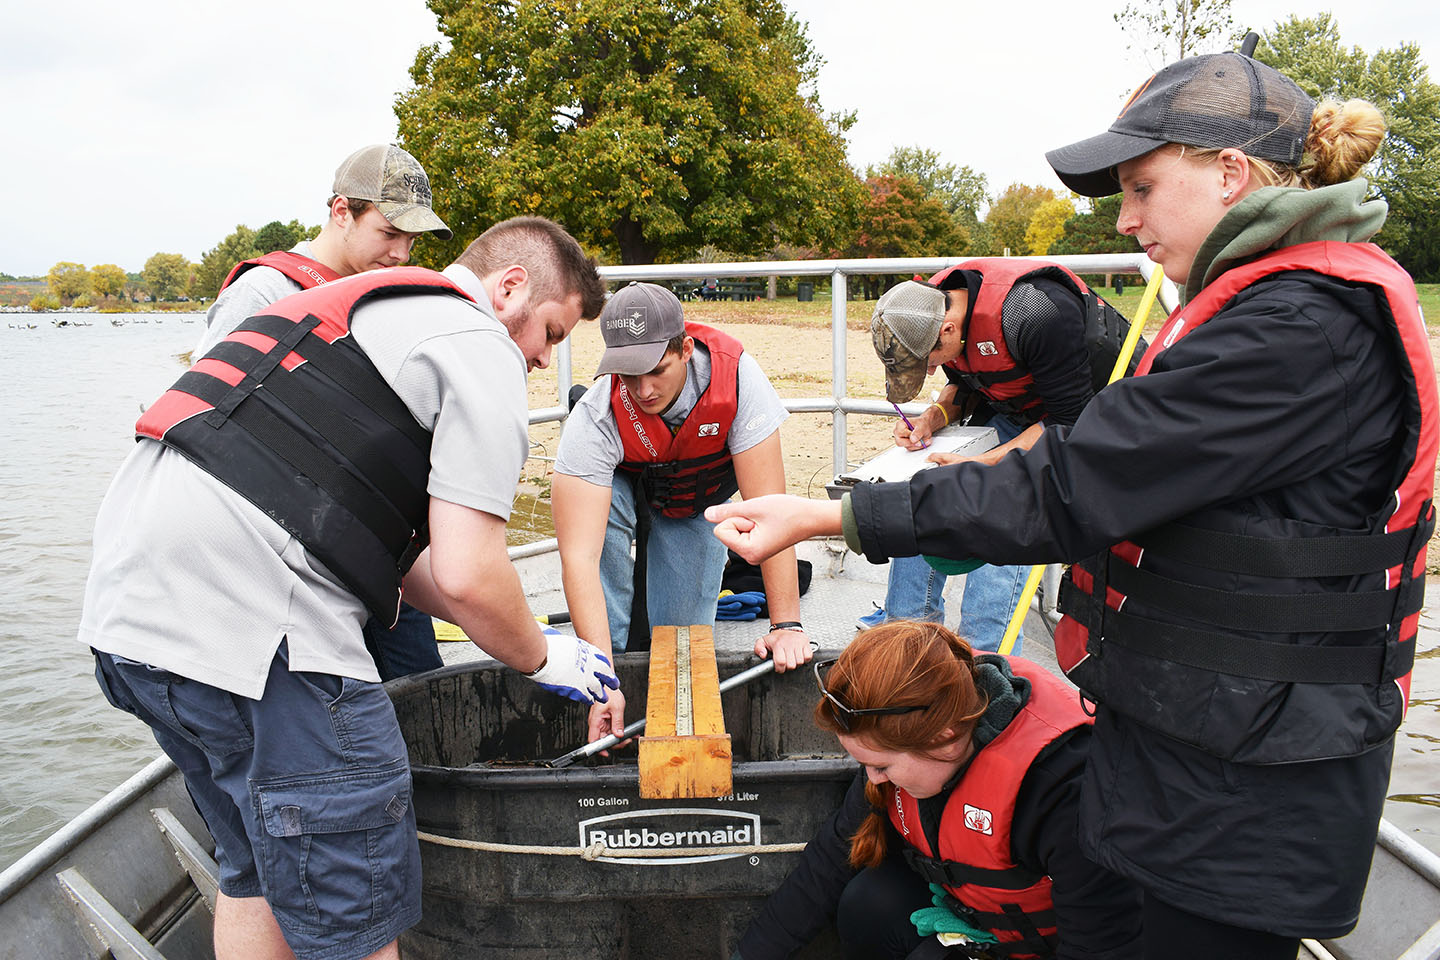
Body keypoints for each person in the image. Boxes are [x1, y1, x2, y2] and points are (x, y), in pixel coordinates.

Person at [707, 51, 1435, 959]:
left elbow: (1073, 482)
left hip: (1252, 790)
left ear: (1230, 174)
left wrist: (837, 518)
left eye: (1140, 187)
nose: (1125, 219)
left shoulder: (1297, 331)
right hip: (1213, 747)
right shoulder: (1277, 314)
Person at [82, 216, 615, 960]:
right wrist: (541, 657)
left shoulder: (347, 306)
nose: (543, 359)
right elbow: (468, 573)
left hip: (128, 627)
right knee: (355, 920)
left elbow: (408, 566)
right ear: (510, 288)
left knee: (252, 874)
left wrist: (530, 639)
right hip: (259, 635)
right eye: (552, 334)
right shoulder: (477, 343)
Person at [194, 142, 456, 680]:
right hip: (300, 556)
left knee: (422, 682)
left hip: (382, 543)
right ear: (342, 212)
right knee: (341, 700)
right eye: (390, 233)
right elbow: (201, 420)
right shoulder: (264, 291)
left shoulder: (384, 294)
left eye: (412, 238)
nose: (403, 254)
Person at [734, 620, 1141, 960]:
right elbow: (823, 869)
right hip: (983, 923)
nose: (872, 779)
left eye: (881, 766)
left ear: (944, 738)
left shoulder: (1064, 788)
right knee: (870, 903)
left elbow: (1104, 944)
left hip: (1071, 943)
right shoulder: (903, 737)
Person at [551, 281, 812, 748]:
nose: (643, 389)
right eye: (628, 375)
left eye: (656, 370)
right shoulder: (595, 416)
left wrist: (786, 624)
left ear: (686, 349)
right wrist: (597, 681)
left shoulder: (738, 381)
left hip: (695, 502)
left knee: (680, 641)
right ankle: (606, 673)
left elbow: (770, 514)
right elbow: (579, 557)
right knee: (598, 516)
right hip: (625, 490)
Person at [861, 259, 1140, 652]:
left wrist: (982, 466)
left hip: (1093, 421)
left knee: (1006, 506)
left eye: (928, 362)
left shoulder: (1036, 312)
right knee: (920, 491)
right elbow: (966, 382)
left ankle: (986, 657)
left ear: (948, 329)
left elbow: (1069, 424)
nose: (932, 369)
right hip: (1019, 411)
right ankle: (905, 639)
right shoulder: (932, 308)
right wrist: (932, 418)